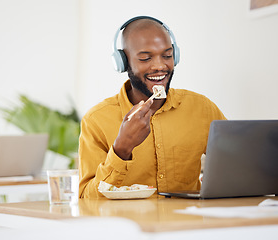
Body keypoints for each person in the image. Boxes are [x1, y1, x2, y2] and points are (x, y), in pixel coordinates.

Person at [78, 16, 226, 199]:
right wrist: (121, 149)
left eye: (167, 56)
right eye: (145, 58)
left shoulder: (202, 108)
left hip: (189, 224)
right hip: (127, 226)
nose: (159, 66)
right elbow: (86, 199)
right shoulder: (96, 120)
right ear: (123, 63)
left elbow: (236, 166)